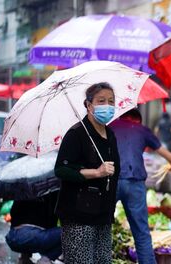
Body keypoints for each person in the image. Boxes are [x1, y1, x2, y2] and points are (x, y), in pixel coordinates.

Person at [54, 82, 120, 264]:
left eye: (111, 101)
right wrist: (96, 172)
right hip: (78, 216)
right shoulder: (76, 134)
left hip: (103, 215)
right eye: (101, 101)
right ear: (89, 105)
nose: (107, 105)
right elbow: (61, 169)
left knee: (103, 261)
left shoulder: (111, 134)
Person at [110, 108, 171, 264]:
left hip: (111, 181)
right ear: (137, 120)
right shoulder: (142, 129)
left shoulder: (110, 126)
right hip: (135, 183)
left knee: (102, 230)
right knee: (141, 233)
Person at [5, 192, 61, 264]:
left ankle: (24, 257)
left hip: (12, 237)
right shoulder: (52, 192)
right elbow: (52, 222)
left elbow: (13, 214)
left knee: (28, 232)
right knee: (69, 233)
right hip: (35, 238)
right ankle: (45, 260)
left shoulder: (23, 188)